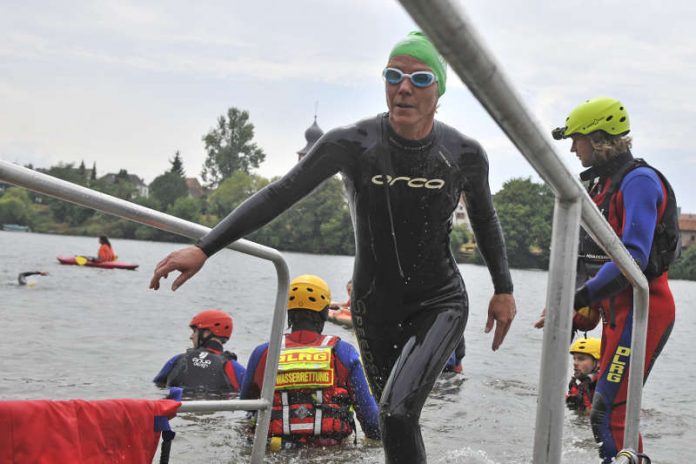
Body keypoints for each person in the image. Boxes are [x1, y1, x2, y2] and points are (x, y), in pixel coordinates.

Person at [150, 31, 516, 462]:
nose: (403, 87)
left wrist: (503, 288)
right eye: (393, 75)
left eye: (419, 79)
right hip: (373, 303)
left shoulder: (463, 153)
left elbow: (485, 219)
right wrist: (205, 248)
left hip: (440, 300)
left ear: (439, 91)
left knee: (397, 413)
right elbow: (279, 194)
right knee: (392, 416)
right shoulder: (354, 143)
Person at [539, 96, 677, 462]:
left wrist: (578, 297)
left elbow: (632, 257)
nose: (572, 148)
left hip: (645, 312)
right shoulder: (600, 187)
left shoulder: (640, 182)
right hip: (616, 313)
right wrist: (574, 303)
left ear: (599, 139)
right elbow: (591, 259)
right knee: (607, 414)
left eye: (577, 139)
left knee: (607, 414)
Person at [240, 275, 380, 447]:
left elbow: (247, 402)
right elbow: (372, 425)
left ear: (289, 311)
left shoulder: (263, 352)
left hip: (276, 451)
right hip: (329, 454)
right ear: (324, 312)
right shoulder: (344, 353)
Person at [153, 309, 246, 396]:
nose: (191, 336)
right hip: (217, 411)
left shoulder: (178, 359)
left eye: (194, 331)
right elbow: (250, 393)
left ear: (206, 333)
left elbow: (158, 385)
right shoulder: (234, 367)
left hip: (180, 410)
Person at [566, 337, 600, 413]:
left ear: (598, 362)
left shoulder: (602, 385)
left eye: (581, 359)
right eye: (574, 358)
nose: (575, 363)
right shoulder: (578, 382)